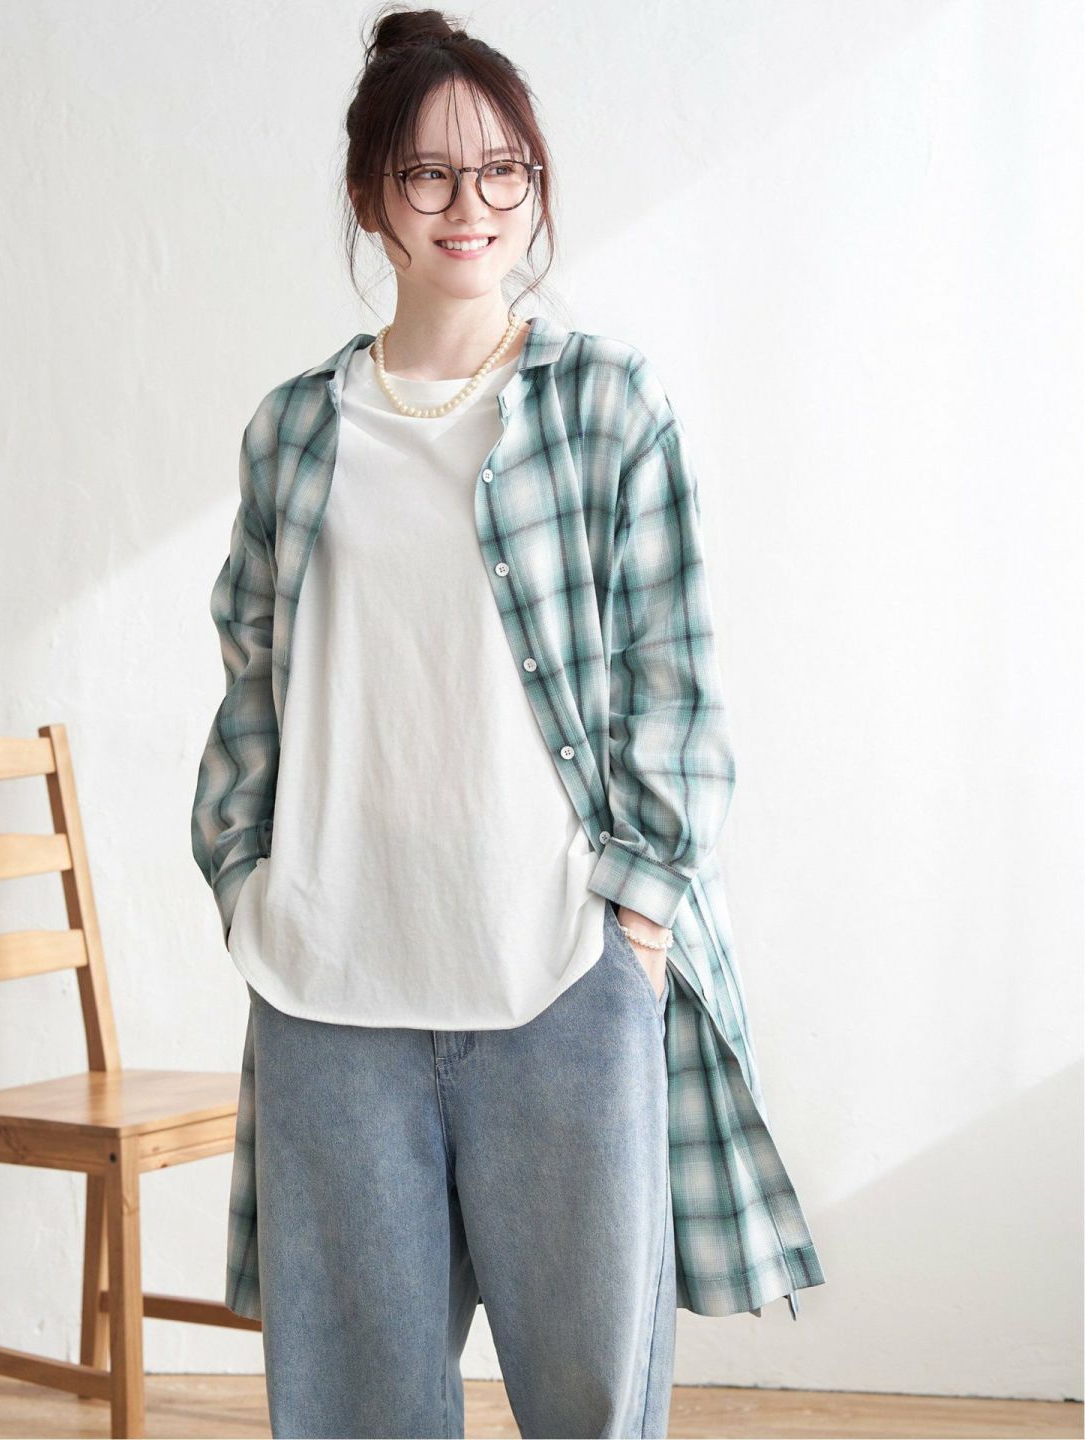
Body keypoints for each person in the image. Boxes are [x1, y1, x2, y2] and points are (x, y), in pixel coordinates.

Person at [191, 7, 826, 1436]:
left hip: (560, 980)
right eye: (427, 172)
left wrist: (637, 922)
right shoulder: (295, 431)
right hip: (333, 992)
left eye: (500, 171)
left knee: (594, 1408)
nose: (467, 205)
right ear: (373, 195)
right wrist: (246, 886)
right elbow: (250, 684)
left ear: (533, 184)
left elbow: (674, 673)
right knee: (354, 1415)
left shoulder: (604, 406)